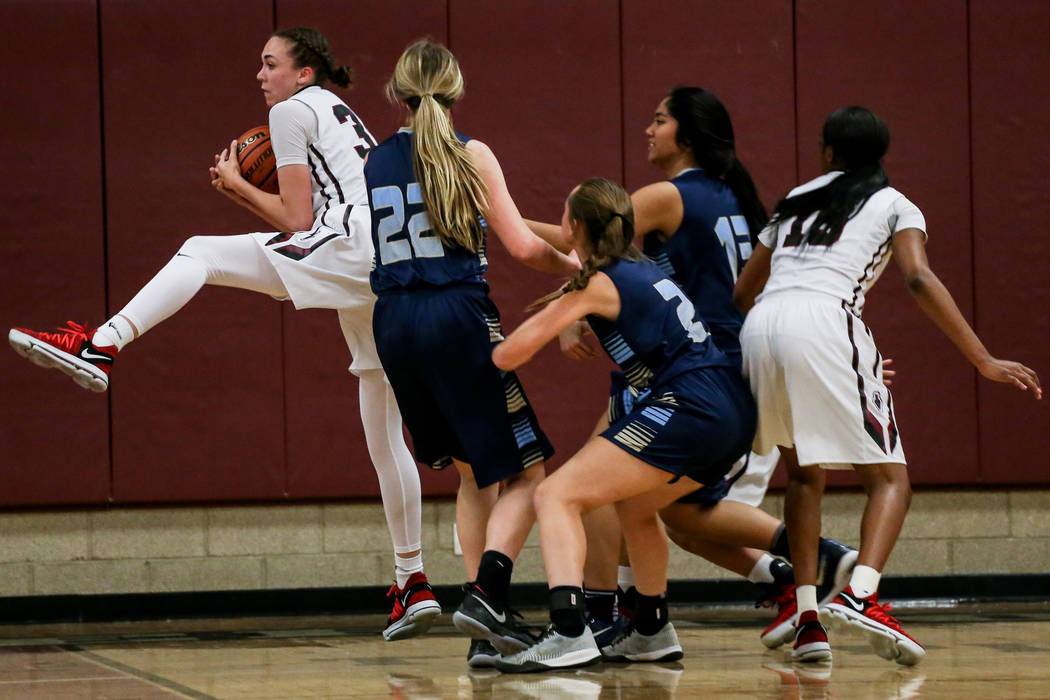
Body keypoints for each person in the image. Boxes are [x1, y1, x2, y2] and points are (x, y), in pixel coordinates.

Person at [7, 27, 439, 642]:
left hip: (346, 246)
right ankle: (413, 580)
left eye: (270, 64)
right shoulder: (342, 113)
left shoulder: (291, 110)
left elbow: (297, 220)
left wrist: (238, 187)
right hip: (384, 260)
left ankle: (101, 344)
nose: (261, 77)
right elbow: (311, 211)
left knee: (197, 252)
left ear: (303, 73)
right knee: (382, 429)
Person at [527, 87, 857, 651]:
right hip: (741, 365)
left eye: (659, 121)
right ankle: (802, 565)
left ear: (688, 135)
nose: (648, 131)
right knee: (666, 507)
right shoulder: (736, 196)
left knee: (593, 489)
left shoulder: (666, 196)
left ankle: (601, 617)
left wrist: (499, 219)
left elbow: (580, 236)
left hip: (689, 372)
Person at [735, 105, 1042, 665]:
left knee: (803, 475)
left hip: (760, 326)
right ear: (881, 155)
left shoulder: (794, 199)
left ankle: (807, 619)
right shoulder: (895, 202)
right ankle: (862, 593)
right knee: (891, 478)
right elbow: (918, 276)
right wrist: (982, 359)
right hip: (826, 319)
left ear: (827, 151)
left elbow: (742, 292)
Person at [363, 39, 579, 667]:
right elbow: (521, 246)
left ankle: (485, 632)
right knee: (529, 470)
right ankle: (487, 594)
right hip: (455, 316)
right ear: (457, 92)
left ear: (397, 94)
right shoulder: (469, 153)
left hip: (394, 323)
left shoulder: (376, 161)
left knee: (471, 472)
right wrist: (574, 269)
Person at [493, 177, 757, 673]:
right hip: (731, 408)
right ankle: (652, 629)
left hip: (691, 403)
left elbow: (510, 353)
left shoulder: (599, 282)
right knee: (636, 507)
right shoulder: (644, 267)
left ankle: (570, 631)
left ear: (574, 226)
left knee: (555, 495)